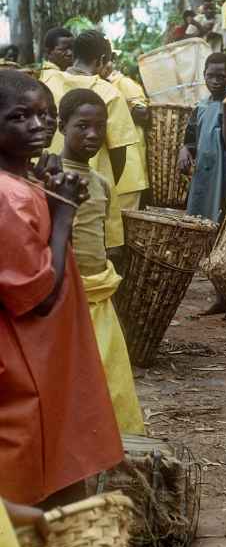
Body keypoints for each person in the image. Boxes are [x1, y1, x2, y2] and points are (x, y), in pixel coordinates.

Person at [0, 70, 123, 507]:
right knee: (34, 481)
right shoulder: (7, 198)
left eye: (44, 115)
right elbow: (39, 297)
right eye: (20, 116)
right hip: (26, 363)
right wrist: (65, 212)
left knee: (55, 467)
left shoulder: (24, 184)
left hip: (46, 358)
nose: (38, 126)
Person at [58, 88, 146, 434]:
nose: (93, 135)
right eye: (82, 126)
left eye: (100, 126)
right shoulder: (46, 178)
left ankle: (111, 439)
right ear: (62, 126)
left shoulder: (101, 183)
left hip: (98, 295)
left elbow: (109, 243)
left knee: (109, 377)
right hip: (64, 298)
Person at [178, 52, 226, 319]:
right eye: (210, 76)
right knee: (208, 237)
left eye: (221, 76)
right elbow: (190, 137)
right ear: (203, 76)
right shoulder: (200, 106)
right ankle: (221, 296)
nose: (215, 81)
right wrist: (184, 150)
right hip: (205, 179)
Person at [44, 30, 138, 251]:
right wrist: (102, 181)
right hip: (93, 188)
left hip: (50, 181)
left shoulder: (46, 81)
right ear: (102, 60)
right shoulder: (109, 92)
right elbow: (119, 151)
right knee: (96, 249)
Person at [104, 59, 150, 213]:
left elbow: (143, 114)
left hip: (130, 168)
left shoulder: (123, 83)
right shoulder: (100, 83)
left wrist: (116, 108)